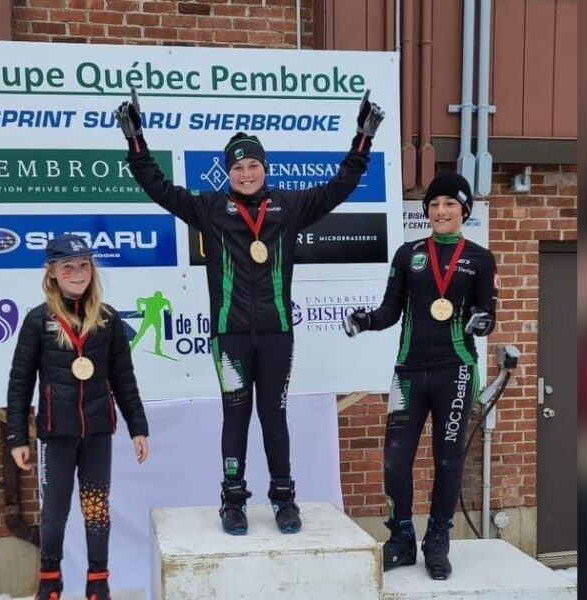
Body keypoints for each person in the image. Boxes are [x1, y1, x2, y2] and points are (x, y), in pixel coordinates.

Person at [114, 88, 384, 535]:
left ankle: (284, 497)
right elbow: (157, 187)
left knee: (274, 415)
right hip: (230, 338)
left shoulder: (290, 207)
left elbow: (340, 187)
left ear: (265, 168)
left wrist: (362, 139)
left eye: (253, 165)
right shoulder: (210, 209)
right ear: (228, 172)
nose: (245, 173)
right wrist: (137, 140)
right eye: (237, 167)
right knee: (235, 413)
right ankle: (233, 500)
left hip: (277, 334)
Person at [343, 171, 497, 579]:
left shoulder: (480, 258)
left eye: (449, 204)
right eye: (434, 204)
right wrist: (365, 320)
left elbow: (488, 314)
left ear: (464, 210)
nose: (441, 211)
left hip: (456, 372)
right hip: (409, 373)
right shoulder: (407, 253)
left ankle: (438, 541)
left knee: (447, 460)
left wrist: (480, 321)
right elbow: (390, 311)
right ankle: (402, 538)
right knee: (395, 461)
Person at [5, 234, 150, 600]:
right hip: (56, 433)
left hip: (98, 430)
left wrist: (138, 428)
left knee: (97, 511)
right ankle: (49, 582)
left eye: (83, 264)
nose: (77, 272)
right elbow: (20, 382)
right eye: (67, 266)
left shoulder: (108, 318)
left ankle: (98, 583)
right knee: (54, 513)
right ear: (52, 272)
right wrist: (17, 437)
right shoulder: (38, 321)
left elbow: (124, 378)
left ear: (92, 269)